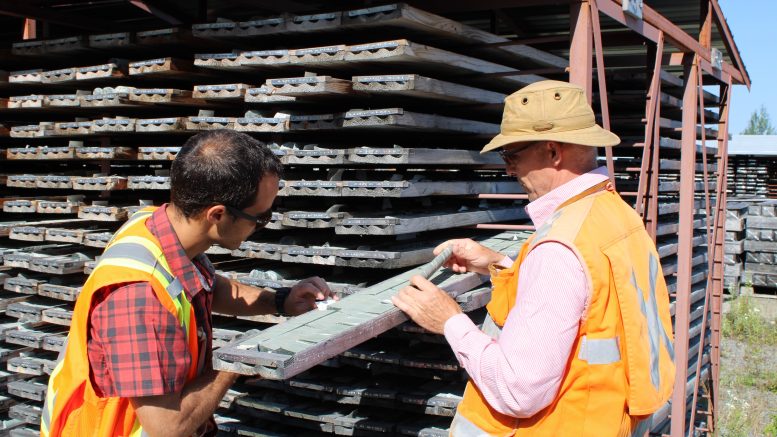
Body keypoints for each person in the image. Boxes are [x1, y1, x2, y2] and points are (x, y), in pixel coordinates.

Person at [393, 80, 676, 436]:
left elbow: (518, 390)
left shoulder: (559, 249)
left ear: (553, 151)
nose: (509, 171)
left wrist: (449, 320)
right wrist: (498, 264)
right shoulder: (617, 217)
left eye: (511, 156)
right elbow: (590, 306)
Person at [42, 130, 335, 437]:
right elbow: (168, 428)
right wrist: (234, 363)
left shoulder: (156, 227)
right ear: (217, 215)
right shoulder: (138, 298)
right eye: (260, 218)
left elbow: (207, 287)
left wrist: (280, 301)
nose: (263, 224)